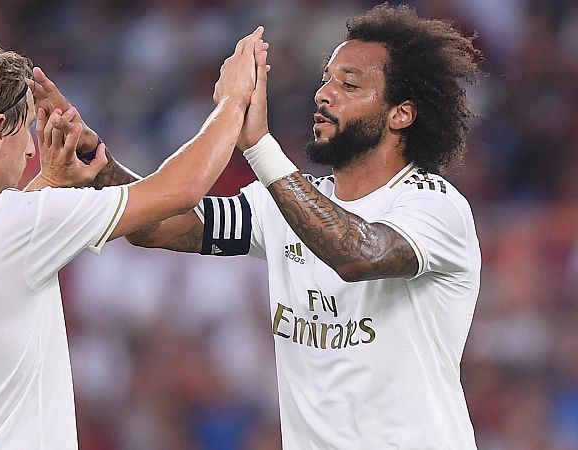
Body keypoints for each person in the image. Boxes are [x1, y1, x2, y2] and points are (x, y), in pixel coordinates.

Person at [36, 4, 483, 448]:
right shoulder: (285, 203)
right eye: (326, 79)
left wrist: (259, 146)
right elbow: (157, 226)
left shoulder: (433, 205)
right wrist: (96, 164)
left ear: (401, 114)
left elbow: (358, 254)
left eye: (349, 85)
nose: (324, 95)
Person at [0, 30, 268, 448]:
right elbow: (180, 192)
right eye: (27, 128)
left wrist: (51, 183)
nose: (30, 150)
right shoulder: (16, 227)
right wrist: (232, 101)